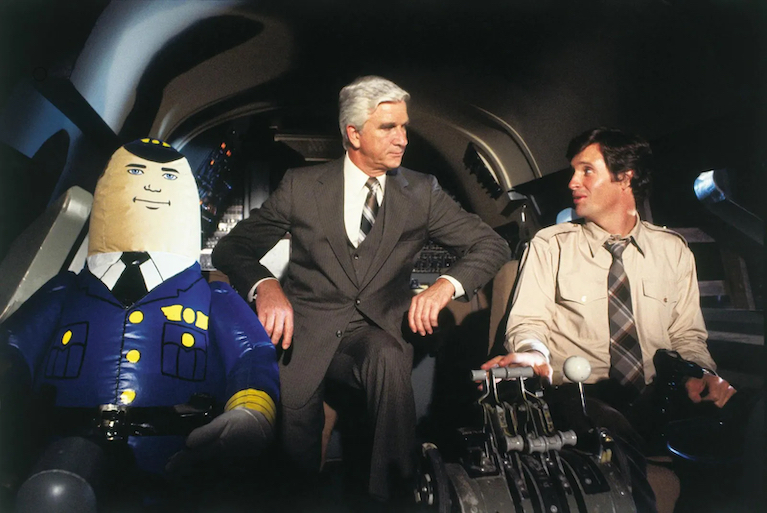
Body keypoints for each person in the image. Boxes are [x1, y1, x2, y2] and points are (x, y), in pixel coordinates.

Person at [212, 76, 510, 504]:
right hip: (304, 335)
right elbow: (232, 248)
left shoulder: (422, 192)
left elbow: (491, 244)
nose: (403, 139)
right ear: (353, 134)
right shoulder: (300, 187)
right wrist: (266, 285)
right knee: (294, 464)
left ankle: (393, 495)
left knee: (386, 356)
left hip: (376, 334)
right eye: (389, 128)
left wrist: (446, 285)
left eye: (404, 127)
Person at [1, 139, 279, 511]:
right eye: (135, 172)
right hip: (64, 455)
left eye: (168, 177)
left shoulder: (213, 296)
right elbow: (13, 346)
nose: (152, 186)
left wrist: (251, 411)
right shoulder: (66, 290)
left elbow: (252, 355)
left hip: (178, 460)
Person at [482, 127, 736, 512]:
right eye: (574, 170)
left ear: (625, 177)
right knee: (608, 427)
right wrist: (533, 353)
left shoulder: (673, 252)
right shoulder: (550, 246)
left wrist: (701, 374)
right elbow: (527, 324)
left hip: (657, 397)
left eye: (587, 170)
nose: (573, 182)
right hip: (579, 397)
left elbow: (688, 337)